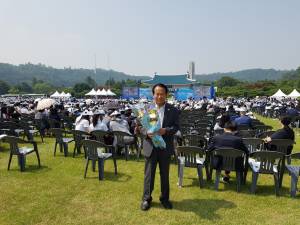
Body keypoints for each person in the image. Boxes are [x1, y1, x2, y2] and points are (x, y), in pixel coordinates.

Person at [137, 83, 179, 211]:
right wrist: (146, 133)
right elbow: (138, 128)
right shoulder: (145, 109)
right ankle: (146, 199)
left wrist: (165, 130)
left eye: (162, 94)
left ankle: (164, 199)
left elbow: (176, 127)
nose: (159, 96)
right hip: (150, 146)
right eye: (157, 94)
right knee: (149, 175)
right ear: (153, 94)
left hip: (164, 147)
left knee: (165, 175)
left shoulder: (173, 110)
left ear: (166, 95)